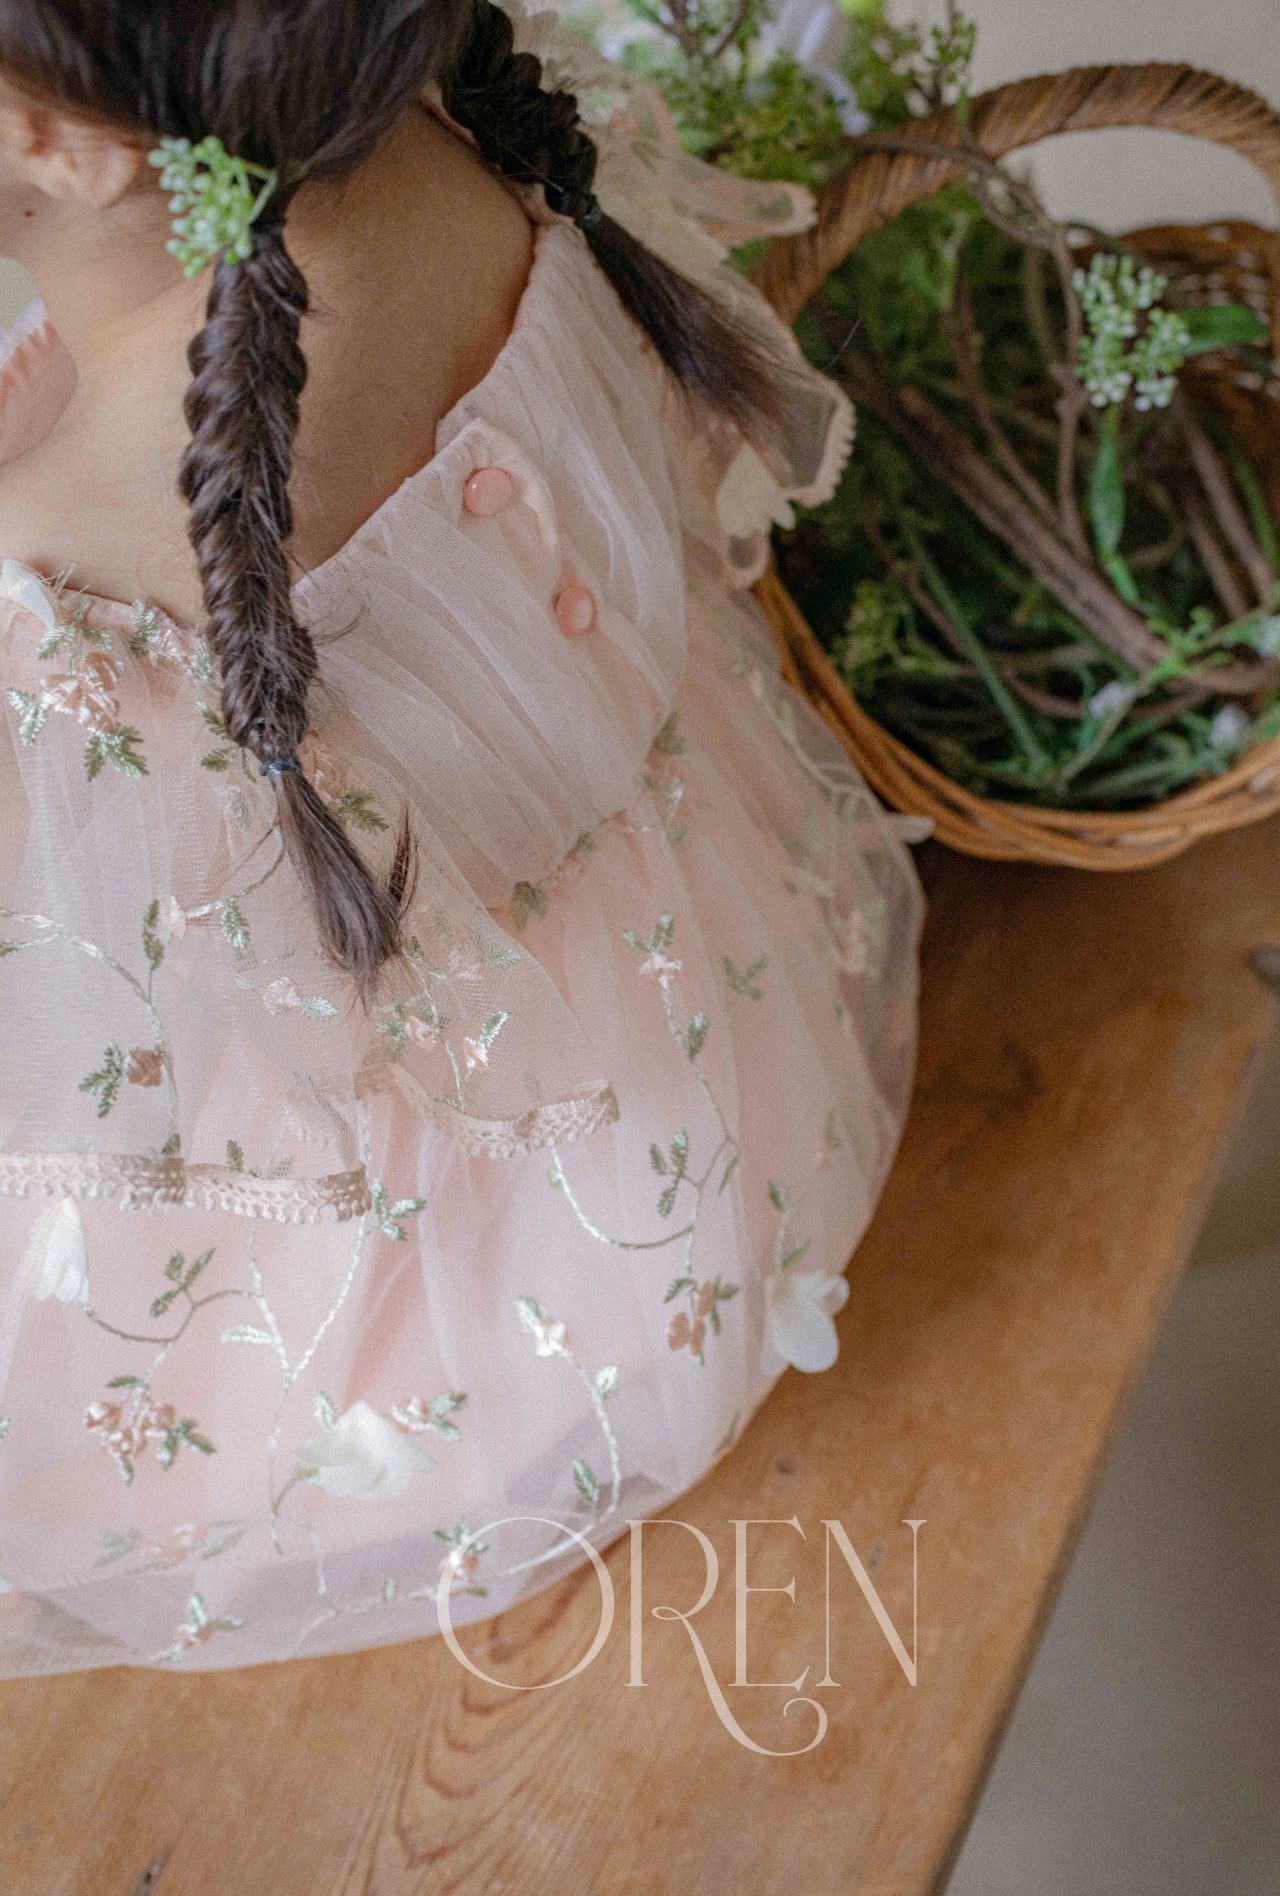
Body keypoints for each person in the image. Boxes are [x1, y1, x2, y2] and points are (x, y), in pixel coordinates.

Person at [0, 0, 922, 1674]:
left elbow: (102, 1027)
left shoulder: (62, 571)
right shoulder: (471, 133)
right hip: (703, 1039)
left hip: (437, 1290)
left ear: (51, 138)